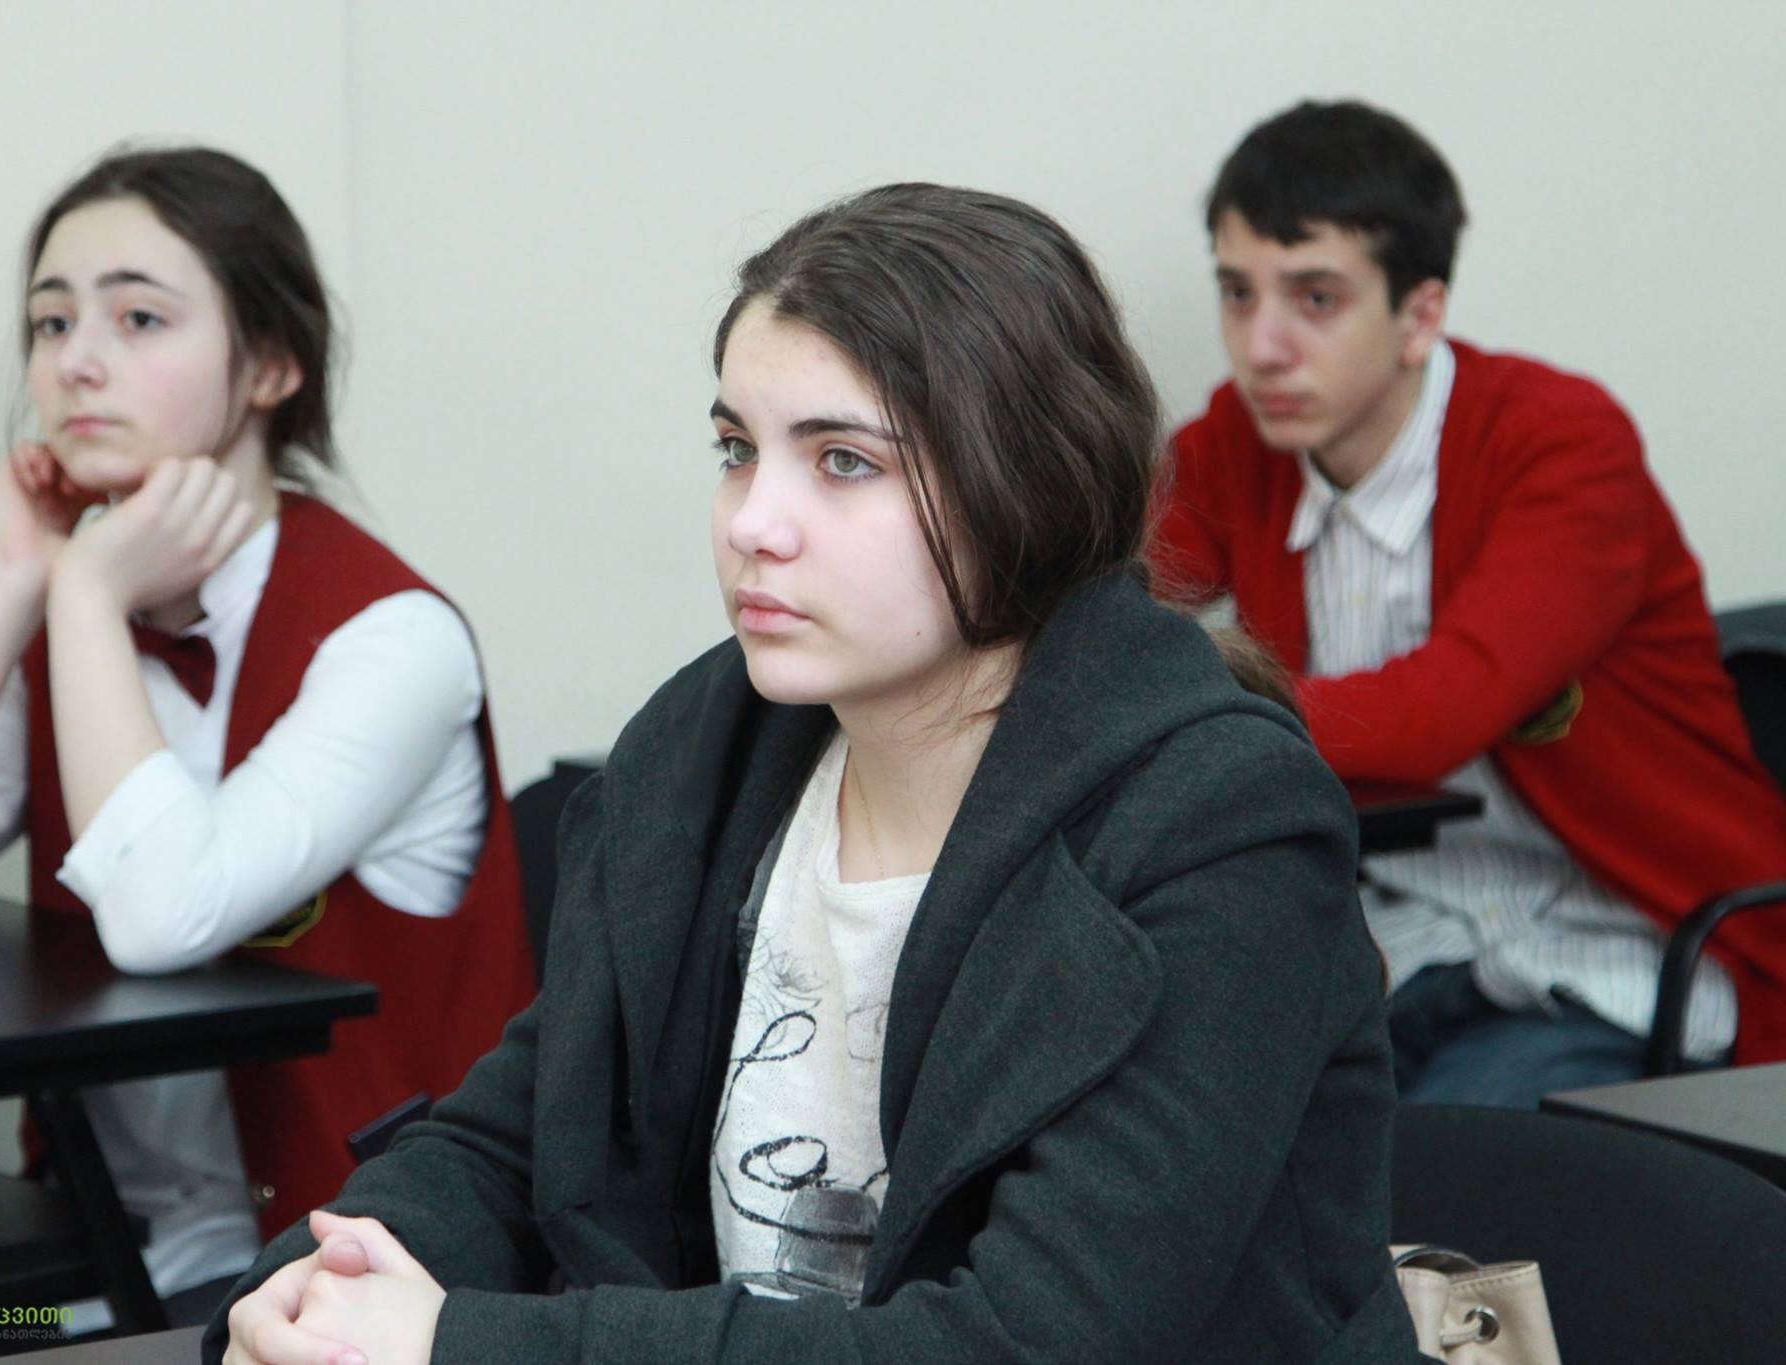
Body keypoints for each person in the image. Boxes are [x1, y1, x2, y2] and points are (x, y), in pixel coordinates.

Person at [208, 184, 1417, 1364]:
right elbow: (521, 1142)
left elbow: (1035, 1339)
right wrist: (317, 1289)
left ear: (1027, 484)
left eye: (842, 461)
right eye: (736, 449)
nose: (751, 522)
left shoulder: (1218, 823)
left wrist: (454, 1344)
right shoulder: (703, 752)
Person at [0, 146, 536, 1319]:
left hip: (347, 1271)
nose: (75, 362)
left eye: (139, 318)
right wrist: (10, 576)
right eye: (51, 322)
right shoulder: (71, 608)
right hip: (107, 1246)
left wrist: (86, 595)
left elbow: (162, 917)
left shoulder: (392, 639)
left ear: (272, 364)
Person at [1151, 100, 1786, 1108]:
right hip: (1397, 946)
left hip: (1615, 954)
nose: (1260, 345)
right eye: (1237, 293)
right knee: (1181, 1112)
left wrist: (1178, 703)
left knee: (1433, 1166)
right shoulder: (1242, 440)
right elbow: (1088, 602)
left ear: (1418, 317)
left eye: (1314, 298)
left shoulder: (1560, 442)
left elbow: (1437, 712)